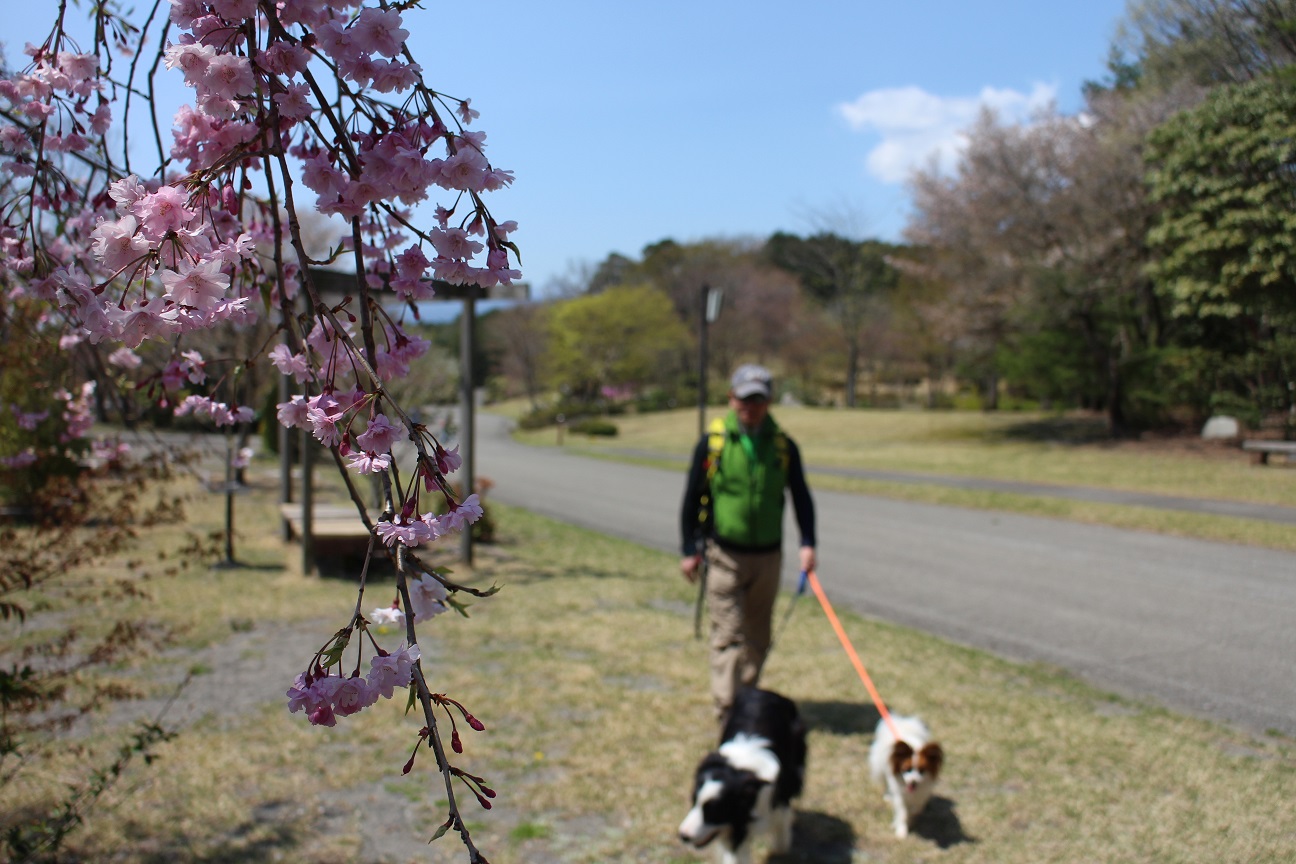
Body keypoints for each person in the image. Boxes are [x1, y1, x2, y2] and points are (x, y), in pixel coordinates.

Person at [680, 363, 816, 721]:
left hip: (768, 558)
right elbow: (692, 498)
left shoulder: (784, 447)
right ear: (731, 398)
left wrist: (808, 542)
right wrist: (688, 550)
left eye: (757, 400)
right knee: (728, 634)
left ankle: (747, 701)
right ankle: (727, 711)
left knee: (757, 636)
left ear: (769, 401)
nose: (750, 407)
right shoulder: (713, 444)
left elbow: (801, 496)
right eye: (744, 400)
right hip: (724, 554)